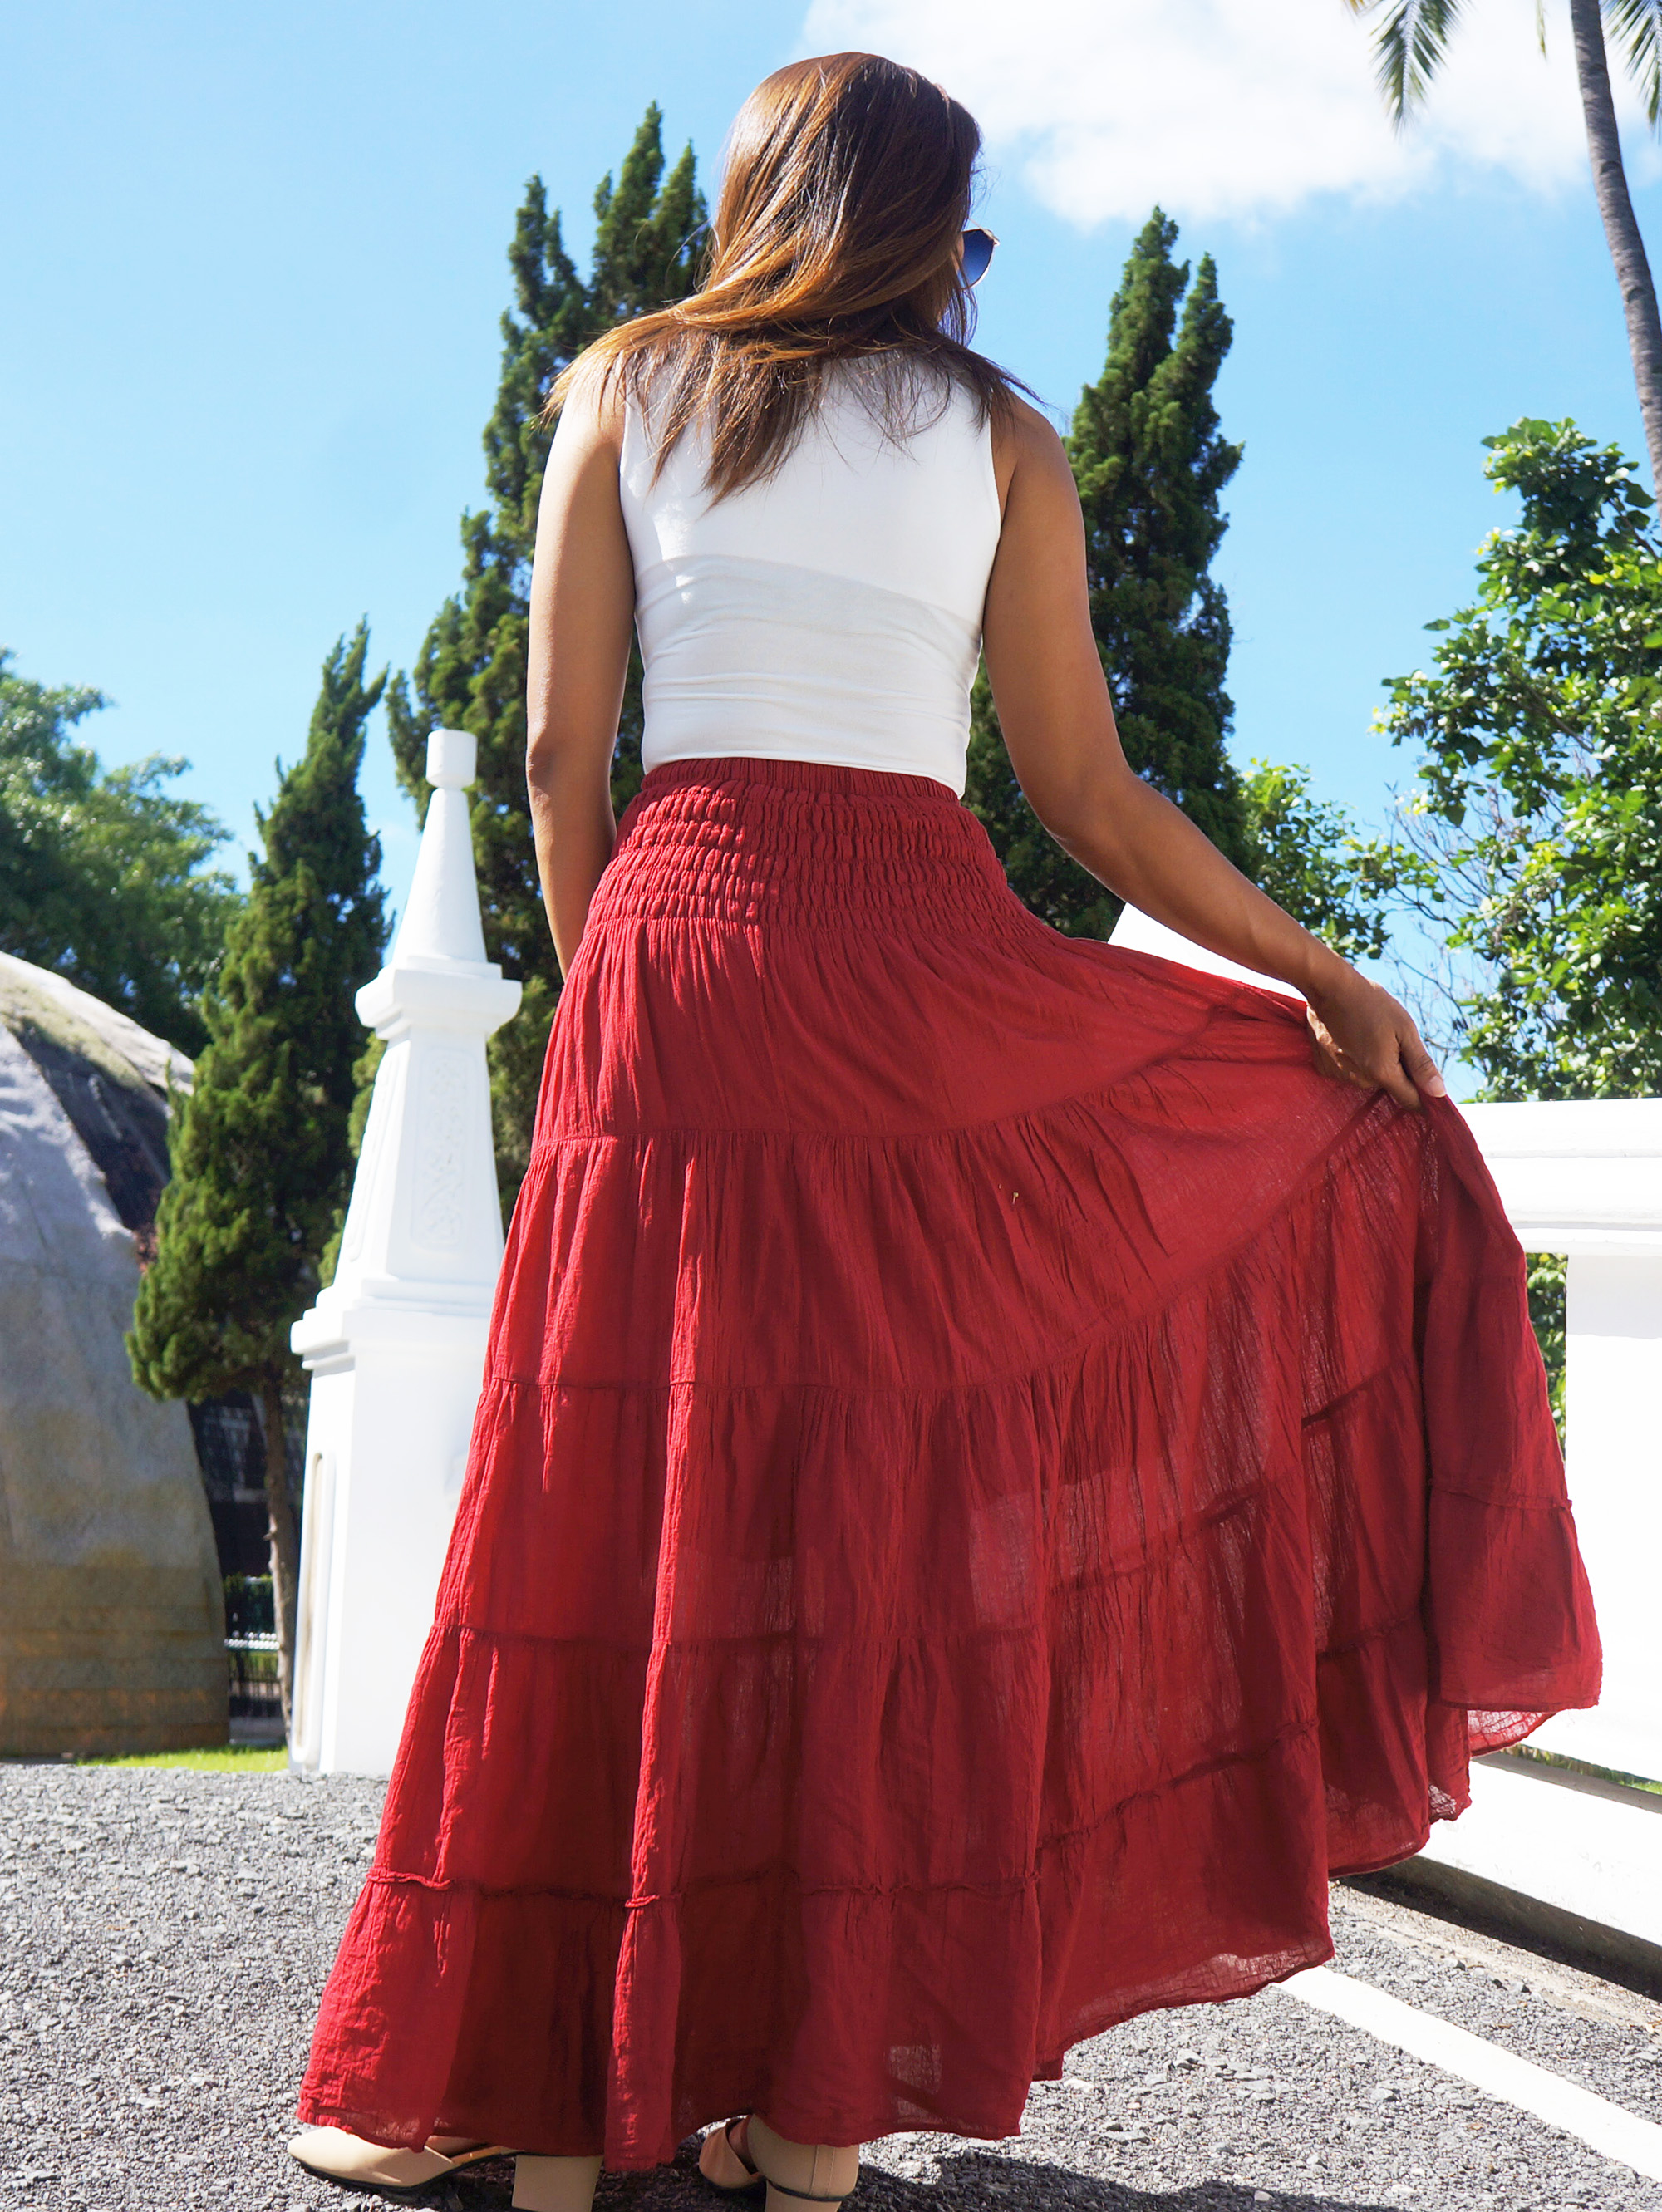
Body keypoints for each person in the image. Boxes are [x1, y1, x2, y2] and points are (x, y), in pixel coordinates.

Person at [287, 50, 1601, 2212]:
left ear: (761, 195)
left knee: (621, 1494)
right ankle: (800, 2129)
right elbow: (1089, 799)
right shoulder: (1006, 442)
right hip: (918, 963)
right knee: (868, 1507)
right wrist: (1325, 981)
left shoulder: (629, 381)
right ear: (933, 225)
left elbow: (553, 745)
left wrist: (614, 968)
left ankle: (531, 2110)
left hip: (681, 942)